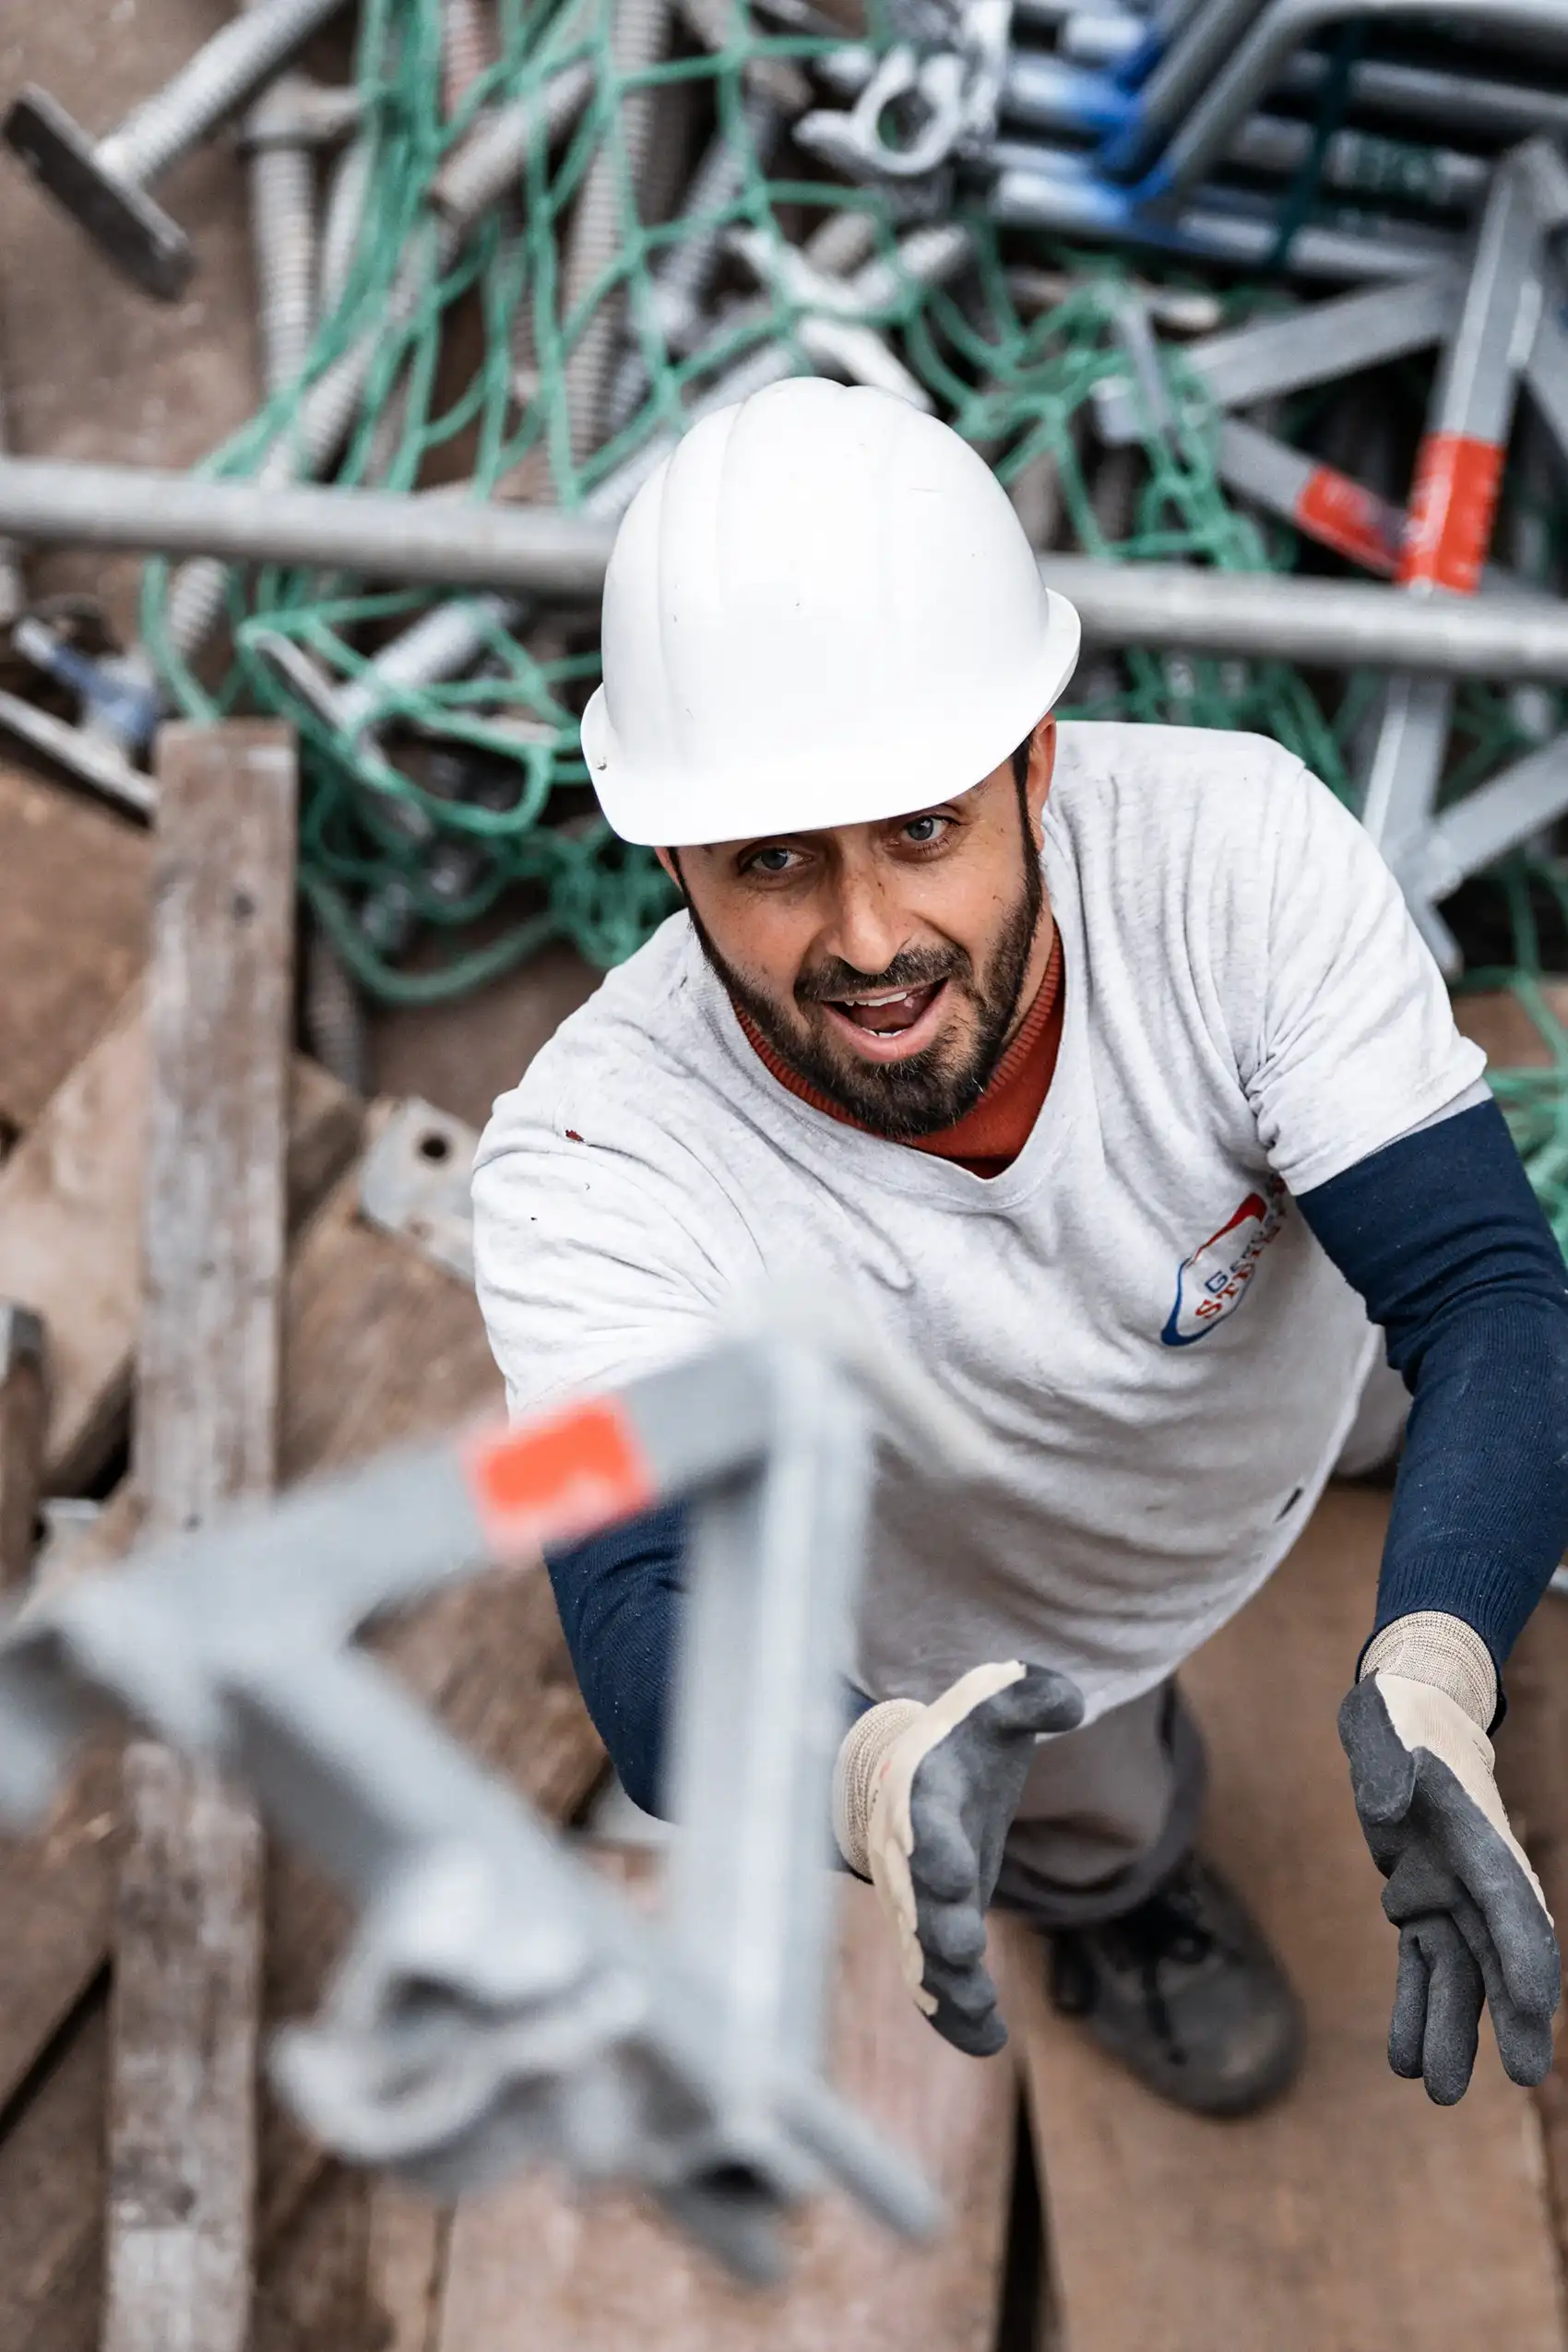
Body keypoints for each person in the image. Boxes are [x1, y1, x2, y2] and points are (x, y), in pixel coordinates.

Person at [473, 376, 1568, 2117]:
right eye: (772, 860)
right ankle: (1125, 1904)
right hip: (1009, 1613)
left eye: (924, 825)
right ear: (672, 857)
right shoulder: (590, 1165)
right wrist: (868, 1767)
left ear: (1036, 762)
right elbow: (641, 1607)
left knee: (1440, 1418)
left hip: (1293, 1353)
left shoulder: (1236, 858)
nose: (871, 941)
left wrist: (1438, 1639)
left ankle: (1420, 1518)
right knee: (1076, 1810)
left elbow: (1481, 1291)